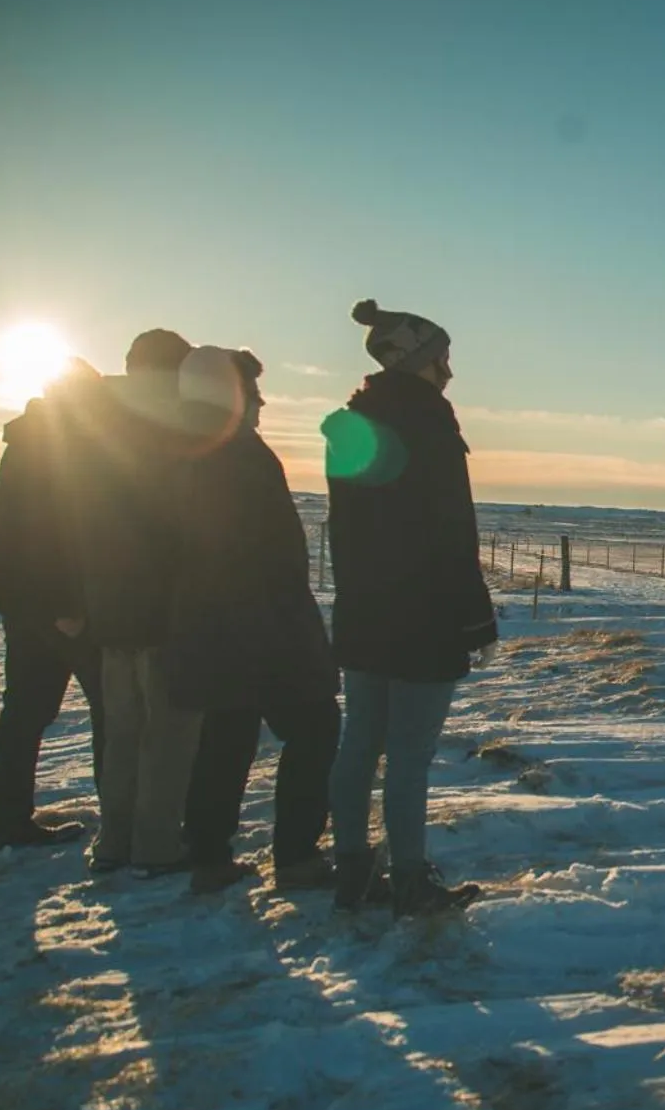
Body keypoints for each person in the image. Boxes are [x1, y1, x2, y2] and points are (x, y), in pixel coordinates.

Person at [323, 299, 495, 917]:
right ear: (420, 360)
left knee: (360, 743)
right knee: (409, 755)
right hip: (423, 615)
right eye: (441, 355)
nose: (449, 368)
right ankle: (407, 880)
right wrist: (475, 617)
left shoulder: (350, 426)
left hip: (365, 610)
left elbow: (345, 531)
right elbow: (453, 532)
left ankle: (350, 869)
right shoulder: (430, 425)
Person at [166, 348, 341, 895]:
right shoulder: (231, 452)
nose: (261, 403)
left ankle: (209, 854)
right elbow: (253, 550)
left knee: (226, 736)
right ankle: (295, 856)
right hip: (261, 626)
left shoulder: (182, 448)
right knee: (315, 728)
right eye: (252, 392)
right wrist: (286, 623)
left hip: (215, 625)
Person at [64, 328, 207, 878]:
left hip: (110, 606)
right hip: (165, 609)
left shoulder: (95, 423)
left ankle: (113, 841)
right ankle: (156, 847)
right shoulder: (174, 426)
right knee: (167, 737)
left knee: (120, 733)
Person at [0, 360, 105, 850]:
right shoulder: (54, 446)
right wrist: (67, 606)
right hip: (58, 608)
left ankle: (6, 820)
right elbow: (50, 532)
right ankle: (122, 820)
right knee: (107, 708)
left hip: (24, 603)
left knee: (25, 713)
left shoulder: (28, 442)